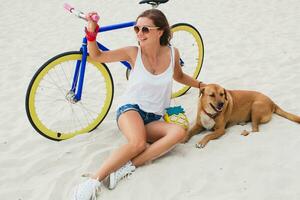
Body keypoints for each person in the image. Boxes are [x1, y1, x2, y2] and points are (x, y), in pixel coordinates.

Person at [74, 9, 205, 200]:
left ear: (160, 31)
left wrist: (201, 84)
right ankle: (93, 181)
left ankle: (126, 167)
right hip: (130, 110)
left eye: (145, 29)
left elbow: (179, 76)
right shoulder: (132, 53)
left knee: (178, 133)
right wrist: (91, 32)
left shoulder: (172, 53)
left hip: (154, 117)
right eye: (136, 29)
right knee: (138, 143)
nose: (139, 34)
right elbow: (97, 55)